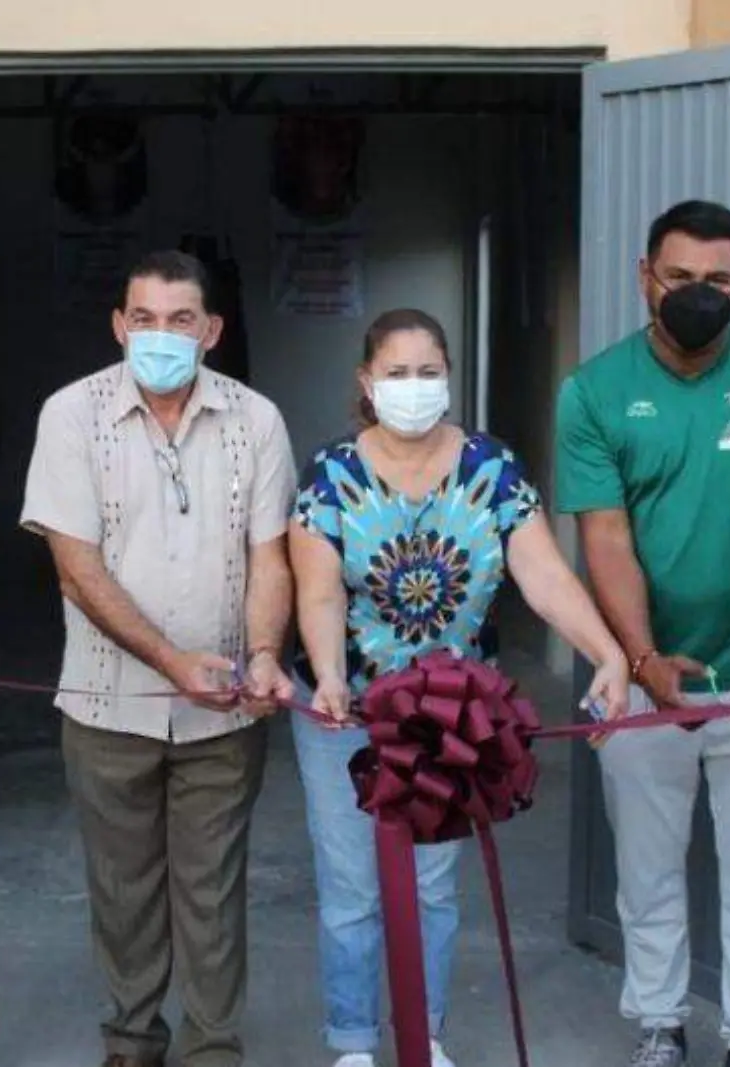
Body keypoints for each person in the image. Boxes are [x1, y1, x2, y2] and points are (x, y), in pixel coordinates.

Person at [289, 309, 632, 1067]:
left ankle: (425, 1034)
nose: (413, 388)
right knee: (353, 888)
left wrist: (608, 651)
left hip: (448, 709)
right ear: (366, 383)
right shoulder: (331, 473)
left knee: (432, 883)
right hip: (341, 709)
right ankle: (351, 1042)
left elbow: (542, 573)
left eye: (428, 372)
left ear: (449, 377)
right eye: (396, 373)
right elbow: (317, 591)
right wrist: (333, 677)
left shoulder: (492, 468)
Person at [553, 200, 730, 1067]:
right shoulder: (594, 391)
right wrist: (640, 660)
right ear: (646, 278)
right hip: (640, 676)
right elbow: (604, 534)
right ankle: (661, 1023)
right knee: (648, 868)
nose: (697, 295)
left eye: (717, 280)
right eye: (678, 277)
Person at [21, 250, 296, 1067]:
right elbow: (77, 569)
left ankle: (214, 1049)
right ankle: (133, 1041)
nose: (161, 335)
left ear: (212, 329)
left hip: (225, 709)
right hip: (108, 706)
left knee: (210, 892)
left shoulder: (256, 420)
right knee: (124, 890)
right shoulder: (72, 414)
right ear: (119, 325)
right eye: (143, 318)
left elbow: (271, 557)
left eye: (181, 319)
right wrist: (174, 661)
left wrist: (264, 652)